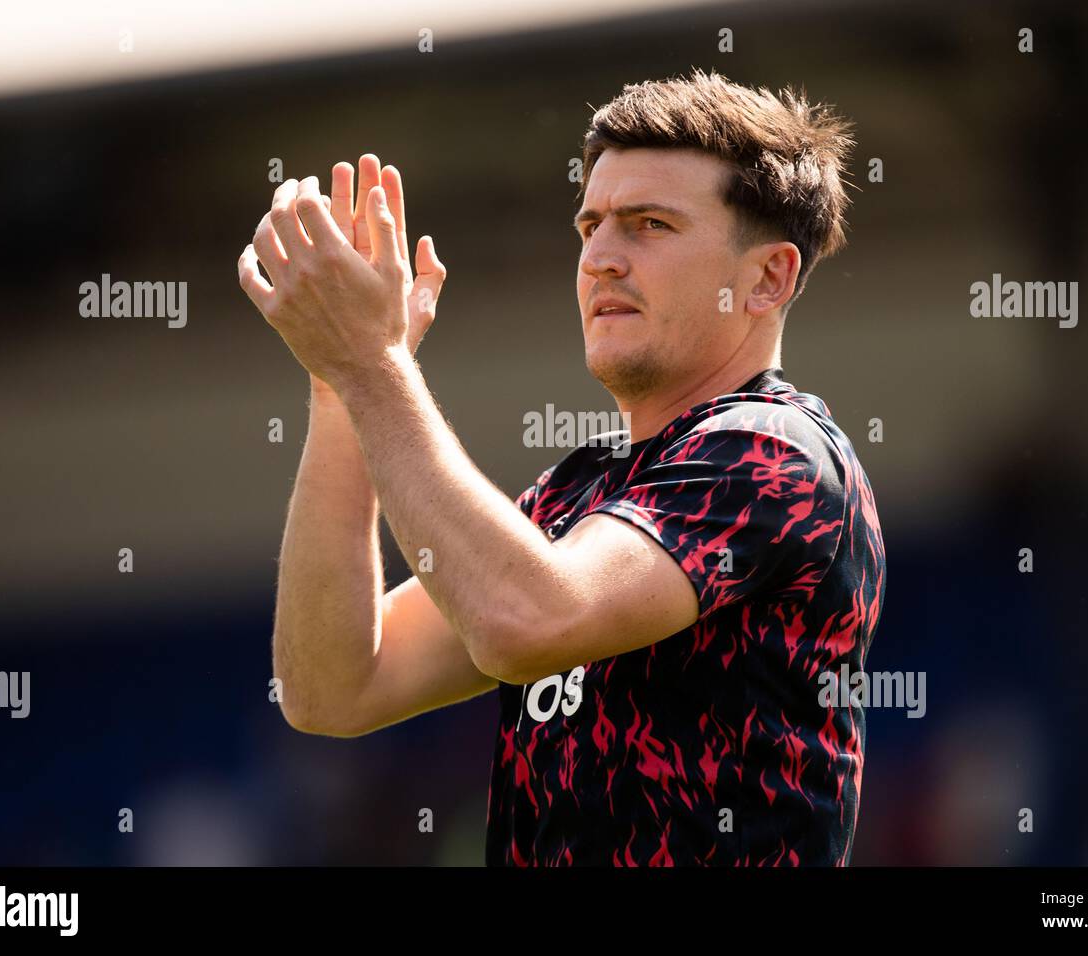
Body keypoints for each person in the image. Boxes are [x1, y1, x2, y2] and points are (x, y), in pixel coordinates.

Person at [237, 67, 885, 866]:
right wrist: (341, 385)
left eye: (649, 224)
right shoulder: (577, 496)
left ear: (767, 278)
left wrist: (374, 368)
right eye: (591, 227)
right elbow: (334, 686)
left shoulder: (775, 452)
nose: (601, 259)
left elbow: (527, 622)